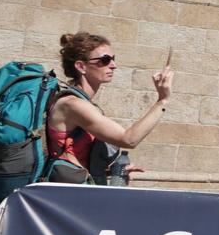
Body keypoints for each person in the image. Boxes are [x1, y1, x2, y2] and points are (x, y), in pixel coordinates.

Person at [44, 32, 172, 186]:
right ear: (81, 66)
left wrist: (112, 171)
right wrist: (162, 101)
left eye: (113, 59)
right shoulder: (73, 105)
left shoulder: (84, 104)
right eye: (104, 60)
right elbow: (129, 139)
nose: (113, 65)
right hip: (65, 193)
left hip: (77, 187)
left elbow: (79, 156)